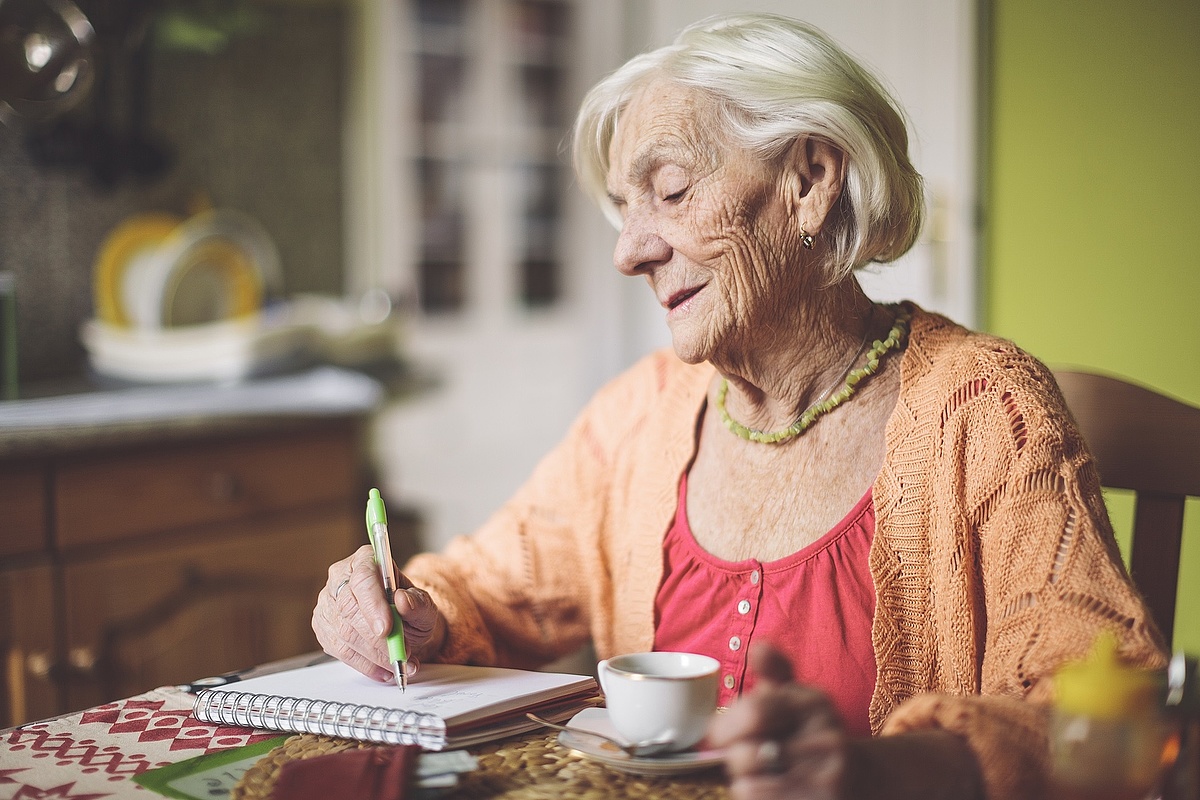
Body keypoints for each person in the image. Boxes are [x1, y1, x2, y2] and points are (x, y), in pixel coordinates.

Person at [313, 12, 1165, 800]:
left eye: (671, 190)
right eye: (624, 209)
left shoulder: (984, 409)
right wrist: (405, 612)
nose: (629, 251)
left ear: (810, 179)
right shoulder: (638, 417)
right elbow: (485, 589)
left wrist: (882, 769)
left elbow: (1107, 710)